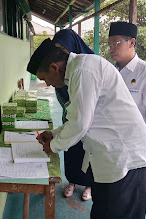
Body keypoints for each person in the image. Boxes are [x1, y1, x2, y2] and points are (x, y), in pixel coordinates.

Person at [27, 38, 146, 219]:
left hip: (128, 158)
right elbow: (77, 118)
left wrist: (53, 146)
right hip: (107, 159)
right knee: (102, 214)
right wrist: (54, 134)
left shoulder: (84, 69)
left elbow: (80, 123)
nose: (46, 84)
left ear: (54, 67)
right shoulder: (77, 74)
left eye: (44, 78)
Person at [52, 29, 95, 200]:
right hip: (69, 118)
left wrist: (53, 145)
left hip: (90, 123)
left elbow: (85, 112)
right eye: (57, 49)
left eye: (63, 48)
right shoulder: (59, 72)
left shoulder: (87, 67)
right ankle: (72, 182)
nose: (61, 53)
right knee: (72, 153)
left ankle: (89, 186)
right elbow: (63, 99)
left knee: (89, 154)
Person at [108, 22, 146, 142]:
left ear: (132, 42)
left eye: (116, 43)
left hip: (136, 142)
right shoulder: (111, 71)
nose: (111, 49)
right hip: (112, 140)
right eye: (109, 44)